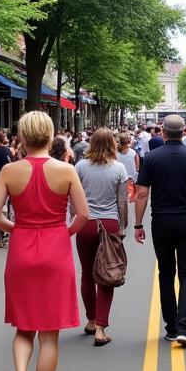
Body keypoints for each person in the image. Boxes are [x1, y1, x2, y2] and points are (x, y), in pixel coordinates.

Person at [0, 111, 89, 371]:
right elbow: (82, 215)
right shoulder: (66, 170)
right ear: (50, 134)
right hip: (55, 250)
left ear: (22, 136)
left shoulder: (9, 170)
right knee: (49, 334)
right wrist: (63, 233)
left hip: (22, 250)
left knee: (23, 327)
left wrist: (17, 228)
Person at [134, 114, 186, 347]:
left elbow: (142, 193)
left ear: (163, 132)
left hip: (162, 221)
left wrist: (138, 223)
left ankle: (170, 326)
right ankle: (184, 328)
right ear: (185, 131)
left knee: (166, 273)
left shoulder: (151, 158)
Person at [75, 128, 129, 346]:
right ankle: (100, 327)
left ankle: (89, 319)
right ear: (113, 144)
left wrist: (74, 219)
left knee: (87, 274)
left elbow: (73, 197)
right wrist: (122, 226)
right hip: (108, 223)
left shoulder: (79, 167)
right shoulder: (119, 168)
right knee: (107, 275)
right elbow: (122, 201)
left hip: (85, 223)